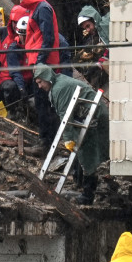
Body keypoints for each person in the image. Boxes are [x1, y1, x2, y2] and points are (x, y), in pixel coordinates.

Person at [33, 64, 109, 204]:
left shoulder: (60, 88)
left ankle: (87, 196)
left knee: (88, 154)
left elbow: (65, 115)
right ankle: (80, 184)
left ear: (47, 78)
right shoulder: (58, 83)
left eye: (40, 82)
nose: (39, 87)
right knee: (83, 152)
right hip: (86, 116)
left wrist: (68, 138)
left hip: (94, 118)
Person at [15, 0, 62, 144]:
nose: (19, 0)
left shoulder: (41, 9)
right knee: (44, 103)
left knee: (44, 104)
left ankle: (46, 142)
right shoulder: (38, 9)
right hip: (42, 63)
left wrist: (40, 61)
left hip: (43, 65)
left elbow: (47, 38)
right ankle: (48, 140)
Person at [75, 5, 110, 90]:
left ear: (94, 20)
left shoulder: (106, 25)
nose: (87, 30)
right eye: (85, 28)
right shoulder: (95, 35)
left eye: (88, 26)